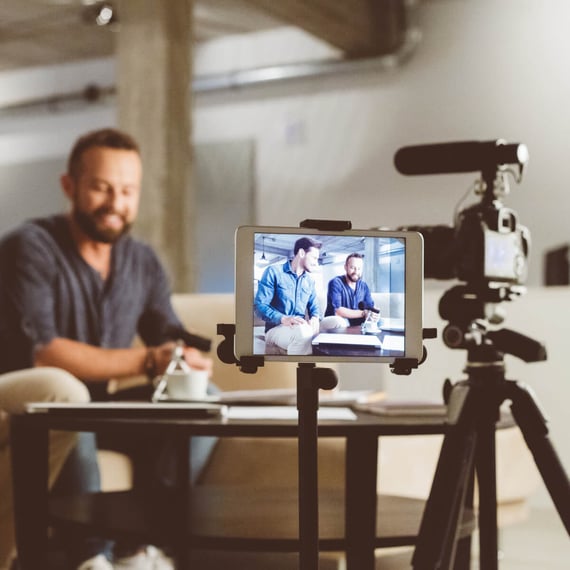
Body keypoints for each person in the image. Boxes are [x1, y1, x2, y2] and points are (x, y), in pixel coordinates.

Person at [0, 128, 215, 570]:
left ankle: (143, 548)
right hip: (30, 411)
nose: (116, 203)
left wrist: (186, 357)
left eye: (128, 191)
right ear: (69, 186)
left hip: (101, 409)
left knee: (204, 402)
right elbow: (47, 354)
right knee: (65, 402)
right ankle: (91, 557)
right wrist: (151, 360)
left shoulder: (142, 261)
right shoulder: (29, 247)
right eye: (101, 187)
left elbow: (166, 333)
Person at [254, 237, 322, 355]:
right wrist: (283, 318)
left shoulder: (310, 281)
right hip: (276, 328)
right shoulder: (274, 272)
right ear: (301, 253)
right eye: (314, 258)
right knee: (302, 333)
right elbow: (260, 306)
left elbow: (315, 306)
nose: (316, 263)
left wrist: (315, 317)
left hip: (301, 326)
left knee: (337, 322)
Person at [321, 252, 380, 330]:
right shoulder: (335, 283)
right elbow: (337, 311)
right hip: (336, 321)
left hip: (357, 322)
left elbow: (370, 307)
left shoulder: (364, 286)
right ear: (345, 267)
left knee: (381, 322)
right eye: (352, 267)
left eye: (359, 269)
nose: (356, 271)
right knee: (342, 322)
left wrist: (373, 314)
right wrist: (364, 313)